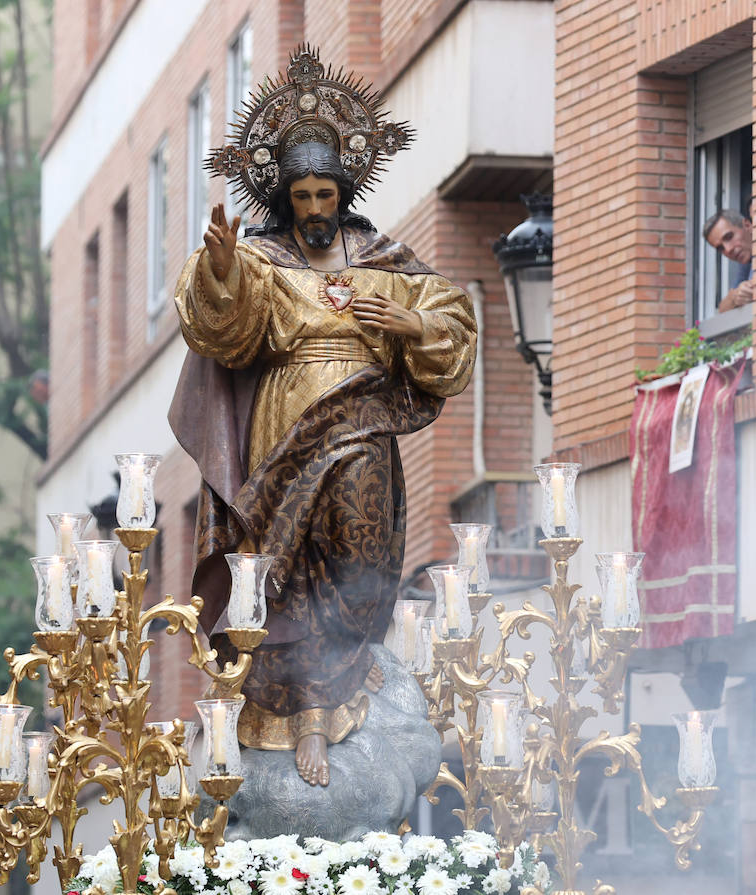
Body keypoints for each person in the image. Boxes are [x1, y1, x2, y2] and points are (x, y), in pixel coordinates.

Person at [168, 46, 476, 788]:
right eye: (300, 196)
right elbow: (228, 329)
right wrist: (219, 271)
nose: (313, 209)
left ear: (343, 191)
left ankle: (345, 682)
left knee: (358, 558)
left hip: (364, 424)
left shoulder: (382, 256)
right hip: (286, 424)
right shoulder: (266, 259)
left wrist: (405, 327)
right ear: (286, 199)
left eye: (324, 195)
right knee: (287, 568)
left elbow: (456, 322)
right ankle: (303, 708)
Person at [703, 209, 754, 311]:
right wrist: (735, 298)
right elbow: (722, 309)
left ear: (747, 226)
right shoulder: (746, 264)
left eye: (729, 237)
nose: (728, 249)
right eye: (721, 248)